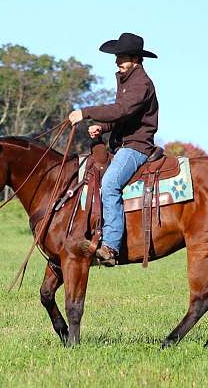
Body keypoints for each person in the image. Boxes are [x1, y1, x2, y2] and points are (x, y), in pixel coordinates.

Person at [69, 32, 159, 267]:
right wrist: (102, 126)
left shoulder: (141, 83)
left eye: (122, 57)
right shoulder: (127, 81)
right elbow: (122, 116)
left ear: (136, 59)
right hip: (122, 145)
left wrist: (86, 113)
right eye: (117, 56)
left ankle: (110, 246)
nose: (117, 61)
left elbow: (121, 110)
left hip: (136, 147)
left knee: (109, 184)